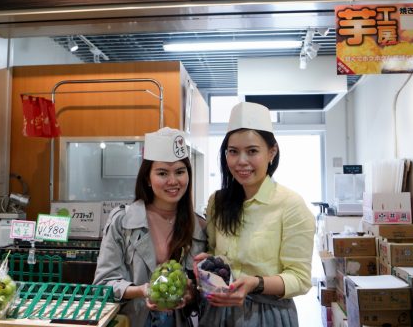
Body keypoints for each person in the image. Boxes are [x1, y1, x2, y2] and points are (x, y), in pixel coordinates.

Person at [196, 102, 316, 326]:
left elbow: (300, 279)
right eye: (233, 152)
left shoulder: (290, 205)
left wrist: (255, 283)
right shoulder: (218, 202)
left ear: (272, 152)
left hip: (267, 314)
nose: (241, 161)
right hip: (217, 312)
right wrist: (208, 261)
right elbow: (215, 251)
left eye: (252, 151)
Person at [94, 127, 207, 327]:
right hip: (133, 320)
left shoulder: (200, 227)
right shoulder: (122, 222)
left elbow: (205, 293)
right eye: (162, 173)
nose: (173, 181)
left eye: (180, 172)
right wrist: (143, 290)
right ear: (148, 177)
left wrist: (192, 293)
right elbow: (103, 285)